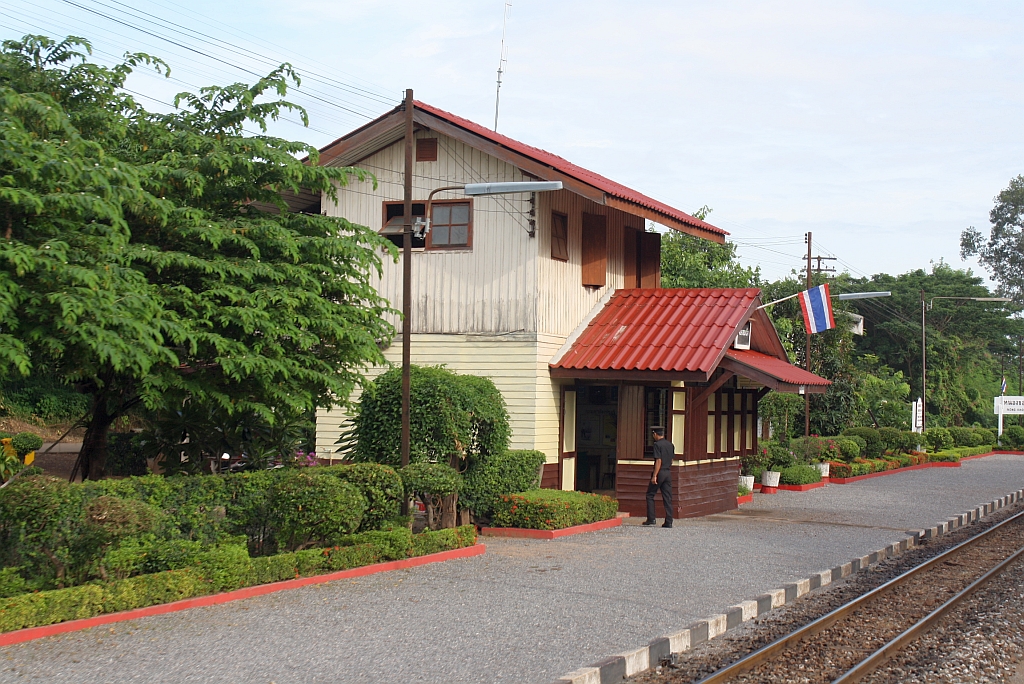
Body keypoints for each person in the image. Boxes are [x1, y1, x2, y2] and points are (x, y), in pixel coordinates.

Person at [643, 427, 674, 528]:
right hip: (668, 472)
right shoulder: (670, 445)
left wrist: (654, 475)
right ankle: (669, 521)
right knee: (667, 497)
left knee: (650, 495)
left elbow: (658, 461)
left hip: (660, 472)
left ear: (655, 434)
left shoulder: (657, 445)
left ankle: (651, 518)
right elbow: (671, 460)